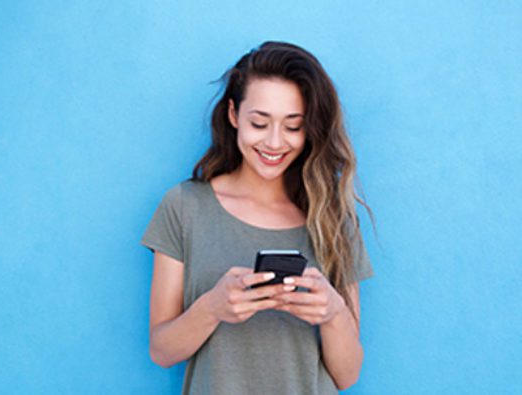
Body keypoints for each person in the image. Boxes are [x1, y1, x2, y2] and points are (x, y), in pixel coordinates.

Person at [140, 41, 375, 395]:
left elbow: (348, 375)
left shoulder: (333, 217)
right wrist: (214, 307)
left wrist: (333, 313)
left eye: (293, 126)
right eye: (260, 123)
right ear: (234, 115)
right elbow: (161, 350)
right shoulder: (184, 207)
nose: (275, 142)